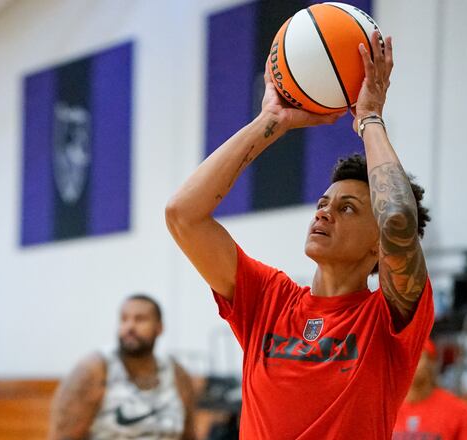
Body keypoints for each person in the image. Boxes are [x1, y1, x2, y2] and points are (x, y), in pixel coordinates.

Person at [165, 31, 433, 439]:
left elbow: (397, 218)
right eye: (323, 203)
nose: (325, 211)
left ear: (377, 244)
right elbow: (183, 214)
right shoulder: (268, 298)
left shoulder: (389, 318)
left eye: (347, 208)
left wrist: (370, 118)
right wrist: (269, 122)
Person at [48, 294, 196, 439]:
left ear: (159, 328)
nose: (130, 326)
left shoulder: (176, 373)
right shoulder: (93, 370)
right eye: (124, 319)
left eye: (140, 319)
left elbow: (190, 435)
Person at [392, 340, 467, 440]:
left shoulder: (458, 411)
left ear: (431, 362)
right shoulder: (385, 410)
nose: (409, 362)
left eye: (417, 356)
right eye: (402, 357)